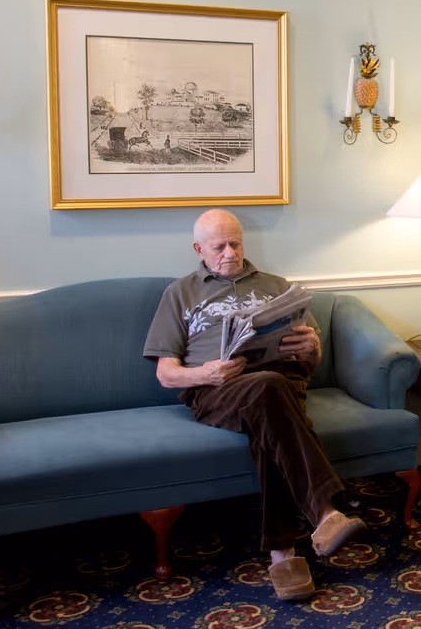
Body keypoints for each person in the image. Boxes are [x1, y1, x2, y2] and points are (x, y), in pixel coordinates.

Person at [144, 209, 365, 602]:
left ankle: (286, 550)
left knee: (270, 393)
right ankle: (324, 514)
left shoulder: (277, 287)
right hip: (217, 388)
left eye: (236, 243)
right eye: (219, 247)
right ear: (198, 249)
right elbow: (166, 374)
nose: (230, 253)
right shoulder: (180, 293)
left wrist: (311, 348)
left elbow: (310, 363)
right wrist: (207, 373)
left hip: (280, 381)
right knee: (269, 392)